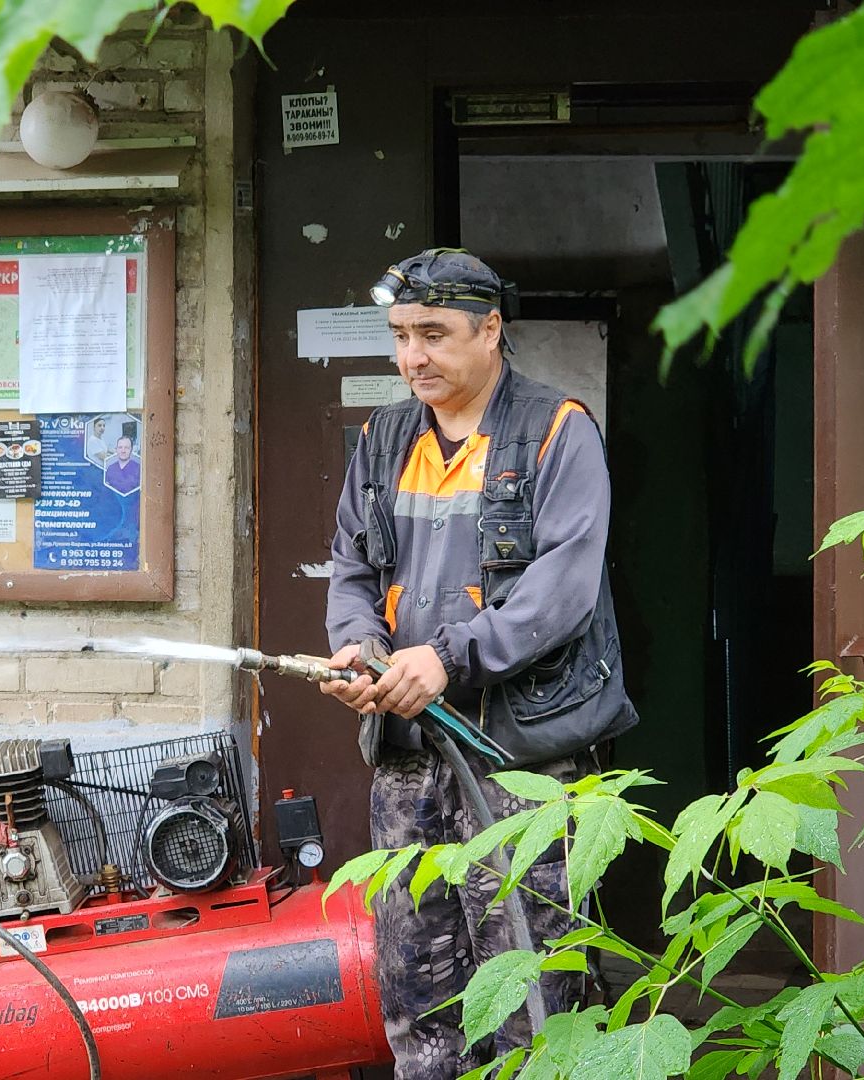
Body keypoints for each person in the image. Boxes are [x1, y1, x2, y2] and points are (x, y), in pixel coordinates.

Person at [321, 248, 637, 1079]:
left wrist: (447, 657)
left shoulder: (557, 430)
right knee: (417, 1003)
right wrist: (359, 649)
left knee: (534, 1001)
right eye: (400, 336)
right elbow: (351, 570)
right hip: (407, 760)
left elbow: (564, 589)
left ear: (491, 329)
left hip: (519, 760)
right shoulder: (383, 438)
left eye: (433, 334)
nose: (412, 357)